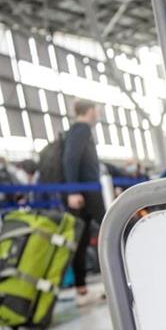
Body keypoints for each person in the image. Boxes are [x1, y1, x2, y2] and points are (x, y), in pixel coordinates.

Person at [62, 99, 106, 306]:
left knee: (81, 239)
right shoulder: (80, 129)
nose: (98, 113)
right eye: (96, 110)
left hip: (87, 190)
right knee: (110, 229)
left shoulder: (80, 130)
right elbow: (70, 159)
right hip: (86, 192)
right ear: (89, 111)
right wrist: (73, 190)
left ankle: (81, 290)